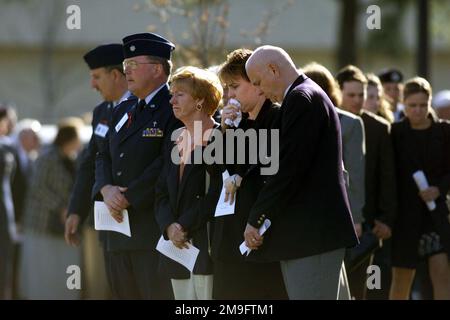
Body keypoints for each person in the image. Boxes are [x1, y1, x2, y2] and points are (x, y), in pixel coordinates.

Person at [243, 45, 358, 300]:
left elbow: (288, 168)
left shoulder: (299, 98)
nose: (259, 90)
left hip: (310, 237)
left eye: (258, 82)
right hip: (317, 235)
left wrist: (257, 218)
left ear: (273, 69)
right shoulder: (307, 94)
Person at [93, 32, 180, 299]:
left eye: (133, 65)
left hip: (150, 230)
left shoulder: (173, 107)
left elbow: (167, 163)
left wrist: (128, 196)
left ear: (157, 69)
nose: (126, 71)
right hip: (117, 231)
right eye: (124, 65)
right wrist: (106, 188)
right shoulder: (124, 108)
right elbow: (102, 154)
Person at [211, 48, 287, 299]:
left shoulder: (277, 118)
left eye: (234, 87)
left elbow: (268, 172)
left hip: (260, 240)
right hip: (228, 240)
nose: (229, 95)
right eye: (226, 89)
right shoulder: (234, 122)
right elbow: (214, 169)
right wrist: (223, 131)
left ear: (258, 85)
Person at [64, 43, 130, 299]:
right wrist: (76, 210)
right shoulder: (102, 112)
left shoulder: (143, 109)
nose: (92, 84)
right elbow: (89, 164)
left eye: (96, 77)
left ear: (115, 75)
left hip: (139, 221)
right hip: (109, 226)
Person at [155, 66, 223, 300]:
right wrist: (169, 227)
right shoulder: (175, 139)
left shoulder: (219, 138)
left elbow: (217, 193)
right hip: (176, 249)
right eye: (172, 94)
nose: (171, 100)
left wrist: (182, 225)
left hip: (206, 245)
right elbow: (161, 192)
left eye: (179, 94)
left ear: (200, 101)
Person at [303, 62, 365, 300]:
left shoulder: (349, 123)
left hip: (338, 214)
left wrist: (356, 218)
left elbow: (354, 175)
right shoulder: (293, 118)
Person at [336, 65, 397, 300]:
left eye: (361, 95)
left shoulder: (378, 128)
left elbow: (387, 176)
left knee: (363, 287)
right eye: (351, 95)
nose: (358, 100)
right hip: (335, 221)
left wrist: (386, 218)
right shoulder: (331, 122)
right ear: (338, 92)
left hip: (367, 224)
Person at [390, 77, 450, 300]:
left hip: (436, 216)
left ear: (430, 103)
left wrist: (439, 188)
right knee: (401, 281)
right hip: (405, 217)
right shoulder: (395, 133)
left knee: (442, 275)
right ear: (404, 104)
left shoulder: (444, 132)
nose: (417, 110)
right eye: (412, 105)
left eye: (423, 105)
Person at [20, 118, 84, 299]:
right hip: (41, 225)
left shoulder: (71, 160)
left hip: (61, 226)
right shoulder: (47, 157)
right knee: (43, 271)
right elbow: (37, 187)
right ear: (69, 139)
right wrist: (60, 208)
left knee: (60, 271)